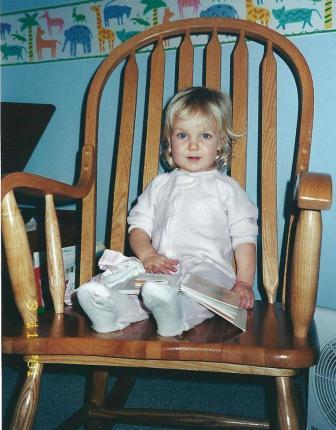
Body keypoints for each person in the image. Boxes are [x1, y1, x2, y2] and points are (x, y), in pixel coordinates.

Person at [77, 86, 258, 337]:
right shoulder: (160, 185)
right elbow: (138, 227)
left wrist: (244, 282)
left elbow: (244, 238)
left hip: (207, 272)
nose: (193, 145)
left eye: (205, 136)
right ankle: (110, 311)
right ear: (170, 142)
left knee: (197, 293)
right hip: (159, 269)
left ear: (220, 144)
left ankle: (176, 316)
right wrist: (148, 254)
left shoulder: (227, 189)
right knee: (135, 287)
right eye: (183, 136)